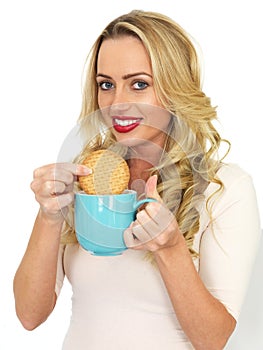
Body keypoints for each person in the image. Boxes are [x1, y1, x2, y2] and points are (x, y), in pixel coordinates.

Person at [13, 10, 261, 349]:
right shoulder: (82, 178)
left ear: (174, 89)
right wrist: (48, 216)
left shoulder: (225, 188)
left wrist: (171, 249)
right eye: (106, 85)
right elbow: (29, 315)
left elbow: (214, 339)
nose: (117, 103)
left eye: (139, 84)